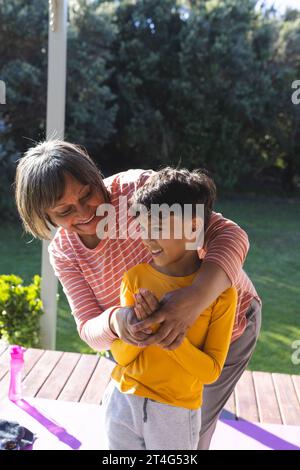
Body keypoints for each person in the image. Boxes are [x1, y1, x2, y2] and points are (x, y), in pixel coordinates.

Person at [15, 139, 261, 449]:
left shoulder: (139, 190)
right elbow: (90, 328)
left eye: (88, 193)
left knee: (191, 437)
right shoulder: (65, 252)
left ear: (95, 175)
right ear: (45, 217)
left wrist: (196, 297)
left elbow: (229, 234)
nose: (85, 212)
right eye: (64, 210)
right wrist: (118, 321)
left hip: (230, 324)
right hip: (154, 354)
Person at [102, 167, 238, 450]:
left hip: (175, 412)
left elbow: (210, 371)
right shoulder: (135, 279)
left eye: (158, 228)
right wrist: (140, 326)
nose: (147, 238)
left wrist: (171, 338)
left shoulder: (221, 295)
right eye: (143, 227)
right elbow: (121, 356)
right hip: (122, 400)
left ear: (193, 227)